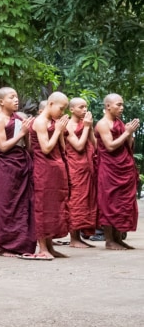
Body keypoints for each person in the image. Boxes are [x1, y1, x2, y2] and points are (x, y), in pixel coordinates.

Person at [0, 88, 36, 257]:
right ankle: (6, 246)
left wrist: (27, 134)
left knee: (23, 205)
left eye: (16, 97)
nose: (16, 100)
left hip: (22, 165)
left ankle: (22, 244)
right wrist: (21, 133)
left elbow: (28, 147)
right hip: (6, 167)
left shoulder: (20, 119)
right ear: (1, 102)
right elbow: (3, 146)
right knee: (7, 206)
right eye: (12, 97)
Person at [95, 94, 139, 249]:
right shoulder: (102, 124)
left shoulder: (119, 123)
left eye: (122, 105)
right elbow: (110, 146)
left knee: (123, 203)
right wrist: (126, 132)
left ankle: (118, 238)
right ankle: (109, 240)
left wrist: (130, 133)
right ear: (108, 106)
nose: (122, 108)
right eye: (118, 105)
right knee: (109, 202)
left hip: (124, 167)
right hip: (109, 169)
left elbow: (128, 145)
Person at [30, 92, 70, 260]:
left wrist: (60, 131)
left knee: (55, 207)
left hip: (57, 168)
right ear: (51, 104)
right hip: (44, 169)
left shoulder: (54, 123)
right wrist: (57, 130)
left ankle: (51, 246)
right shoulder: (39, 122)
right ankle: (42, 247)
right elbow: (46, 148)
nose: (62, 112)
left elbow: (63, 148)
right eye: (61, 108)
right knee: (43, 206)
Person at [65, 98, 98, 248]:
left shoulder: (86, 124)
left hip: (87, 167)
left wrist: (89, 129)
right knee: (76, 201)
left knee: (86, 202)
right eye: (81, 107)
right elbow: (78, 146)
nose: (85, 110)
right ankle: (73, 239)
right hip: (74, 167)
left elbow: (95, 145)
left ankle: (79, 237)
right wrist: (86, 127)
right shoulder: (68, 125)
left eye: (86, 107)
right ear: (71, 109)